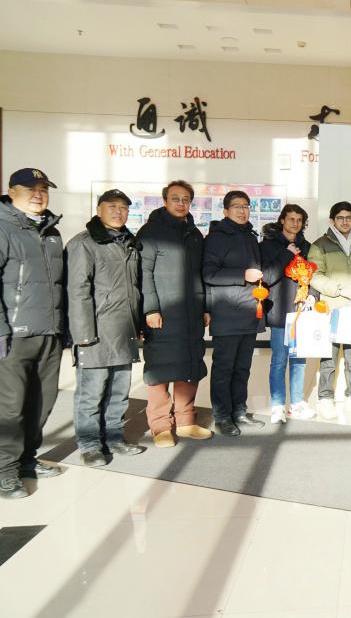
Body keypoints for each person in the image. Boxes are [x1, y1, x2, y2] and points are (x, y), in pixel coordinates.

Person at [66, 189, 145, 466]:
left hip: (124, 329)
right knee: (91, 393)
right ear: (99, 210)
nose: (118, 212)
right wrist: (83, 334)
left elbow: (135, 288)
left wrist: (138, 325)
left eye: (123, 207)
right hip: (96, 332)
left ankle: (114, 438)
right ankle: (90, 445)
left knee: (119, 391)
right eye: (112, 206)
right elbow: (77, 291)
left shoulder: (130, 243)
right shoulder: (83, 244)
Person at [0, 168, 66, 499]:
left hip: (49, 333)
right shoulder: (3, 228)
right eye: (30, 188)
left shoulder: (51, 232)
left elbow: (60, 285)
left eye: (43, 188)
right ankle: (5, 470)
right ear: (12, 191)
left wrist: (64, 328)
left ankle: (27, 459)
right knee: (10, 407)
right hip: (13, 336)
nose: (38, 194)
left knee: (43, 401)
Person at [139, 180, 212, 449]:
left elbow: (200, 274)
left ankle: (186, 421)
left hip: (191, 312)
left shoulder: (194, 234)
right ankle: (160, 426)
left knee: (189, 366)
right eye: (175, 199)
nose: (181, 204)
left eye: (186, 200)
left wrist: (205, 306)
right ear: (165, 201)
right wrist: (150, 308)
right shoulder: (151, 232)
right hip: (163, 313)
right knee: (159, 369)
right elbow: (143, 273)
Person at [204, 190, 266, 436]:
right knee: (224, 368)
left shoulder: (250, 235)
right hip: (227, 312)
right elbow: (209, 274)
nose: (242, 211)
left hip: (249, 311)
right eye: (237, 206)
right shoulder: (216, 237)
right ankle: (222, 416)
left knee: (242, 368)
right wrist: (242, 275)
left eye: (246, 206)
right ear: (226, 210)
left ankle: (239, 410)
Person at [309, 201, 351, 418]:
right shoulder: (320, 245)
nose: (345, 221)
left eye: (348, 217)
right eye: (340, 218)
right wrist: (339, 290)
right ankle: (325, 399)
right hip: (330, 309)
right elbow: (314, 275)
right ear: (332, 220)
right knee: (328, 358)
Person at [260, 204, 317, 424]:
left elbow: (315, 276)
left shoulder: (307, 247)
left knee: (299, 360)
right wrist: (287, 254)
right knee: (279, 360)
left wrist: (313, 295)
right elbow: (267, 277)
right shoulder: (268, 245)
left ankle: (297, 404)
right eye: (291, 219)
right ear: (282, 220)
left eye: (299, 220)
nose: (295, 223)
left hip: (301, 311)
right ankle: (277, 406)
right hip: (279, 310)